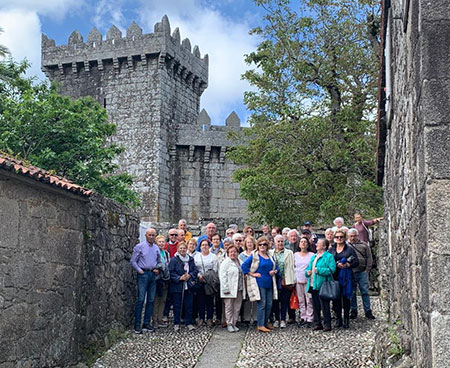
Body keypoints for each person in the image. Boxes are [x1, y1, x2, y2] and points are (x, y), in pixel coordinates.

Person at [242, 237, 279, 333]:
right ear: (257, 246)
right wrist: (252, 274)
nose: (262, 246)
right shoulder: (254, 256)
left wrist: (274, 271)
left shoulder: (271, 256)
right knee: (262, 304)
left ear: (267, 246)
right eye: (260, 244)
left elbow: (277, 267)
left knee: (269, 304)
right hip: (259, 283)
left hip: (270, 283)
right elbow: (244, 266)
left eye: (264, 244)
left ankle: (266, 322)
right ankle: (260, 324)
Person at [130, 227, 162, 334]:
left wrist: (157, 268)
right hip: (143, 274)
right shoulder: (140, 247)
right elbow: (133, 261)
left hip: (152, 274)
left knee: (151, 300)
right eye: (150, 235)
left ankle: (146, 323)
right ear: (146, 235)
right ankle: (137, 324)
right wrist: (139, 271)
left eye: (153, 235)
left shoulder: (156, 248)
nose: (151, 237)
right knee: (140, 299)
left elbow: (159, 261)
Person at [328, 230, 359, 329]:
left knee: (346, 299)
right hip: (335, 277)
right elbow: (328, 261)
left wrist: (348, 264)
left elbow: (356, 261)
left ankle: (346, 319)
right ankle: (338, 318)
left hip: (347, 278)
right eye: (337, 237)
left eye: (341, 237)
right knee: (335, 299)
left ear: (344, 238)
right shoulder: (331, 250)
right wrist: (337, 264)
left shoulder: (349, 249)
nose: (339, 239)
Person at [305, 238, 336, 332]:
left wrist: (319, 270)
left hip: (323, 284)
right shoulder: (314, 256)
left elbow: (332, 270)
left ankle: (327, 324)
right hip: (313, 284)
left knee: (325, 305)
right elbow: (308, 268)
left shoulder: (329, 257)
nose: (316, 245)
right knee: (315, 305)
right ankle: (317, 323)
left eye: (318, 243)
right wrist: (307, 272)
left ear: (324, 246)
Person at [168, 242, 199, 331]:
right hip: (178, 285)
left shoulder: (191, 259)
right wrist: (179, 278)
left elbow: (195, 270)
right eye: (180, 248)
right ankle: (176, 323)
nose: (182, 250)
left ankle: (188, 322)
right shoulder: (174, 260)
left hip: (188, 285)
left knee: (189, 304)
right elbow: (171, 272)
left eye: (184, 248)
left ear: (186, 249)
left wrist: (190, 275)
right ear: (178, 249)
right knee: (177, 305)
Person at [347, 228, 375, 320]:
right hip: (351, 272)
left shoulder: (364, 245)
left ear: (357, 236)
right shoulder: (346, 246)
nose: (352, 238)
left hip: (362, 272)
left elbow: (369, 257)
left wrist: (367, 270)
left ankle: (368, 311)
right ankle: (353, 310)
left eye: (354, 236)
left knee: (365, 291)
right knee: (352, 292)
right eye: (351, 236)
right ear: (348, 236)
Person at [271, 235, 296, 328]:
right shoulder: (270, 253)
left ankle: (283, 319)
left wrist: (292, 280)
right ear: (275, 243)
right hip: (274, 279)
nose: (280, 243)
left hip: (286, 279)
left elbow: (292, 267)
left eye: (281, 241)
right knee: (275, 300)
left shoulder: (289, 253)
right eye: (278, 241)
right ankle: (276, 319)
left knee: (284, 300)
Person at [220, 245, 246, 332]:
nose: (233, 253)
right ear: (228, 253)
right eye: (231, 252)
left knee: (237, 307)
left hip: (239, 288)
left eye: (235, 252)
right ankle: (229, 323)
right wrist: (225, 288)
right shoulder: (225, 263)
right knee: (229, 307)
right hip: (229, 288)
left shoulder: (240, 261)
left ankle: (234, 323)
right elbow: (222, 276)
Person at [194, 239, 218, 327]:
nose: (204, 246)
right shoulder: (196, 256)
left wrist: (206, 277)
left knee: (210, 301)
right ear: (200, 247)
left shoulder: (213, 256)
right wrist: (199, 276)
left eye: (206, 245)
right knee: (200, 300)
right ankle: (201, 318)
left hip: (209, 281)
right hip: (199, 280)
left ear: (209, 246)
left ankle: (209, 318)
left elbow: (215, 269)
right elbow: (194, 268)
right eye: (203, 245)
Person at [294, 237, 314, 327]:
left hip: (308, 280)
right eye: (301, 242)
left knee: (309, 299)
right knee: (301, 300)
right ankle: (303, 317)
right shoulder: (295, 255)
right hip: (298, 280)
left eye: (305, 242)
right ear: (299, 244)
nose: (303, 243)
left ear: (308, 244)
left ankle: (310, 317)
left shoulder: (312, 255)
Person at [153, 234, 170, 329]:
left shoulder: (166, 253)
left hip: (165, 278)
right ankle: (154, 319)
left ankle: (160, 318)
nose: (161, 243)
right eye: (159, 242)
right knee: (156, 299)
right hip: (157, 279)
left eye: (163, 242)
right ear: (156, 243)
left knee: (163, 300)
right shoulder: (154, 252)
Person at [239, 236, 257, 324]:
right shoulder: (241, 255)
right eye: (248, 242)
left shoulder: (257, 254)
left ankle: (255, 317)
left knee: (255, 296)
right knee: (246, 297)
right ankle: (246, 317)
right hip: (245, 278)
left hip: (255, 278)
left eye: (251, 242)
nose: (249, 244)